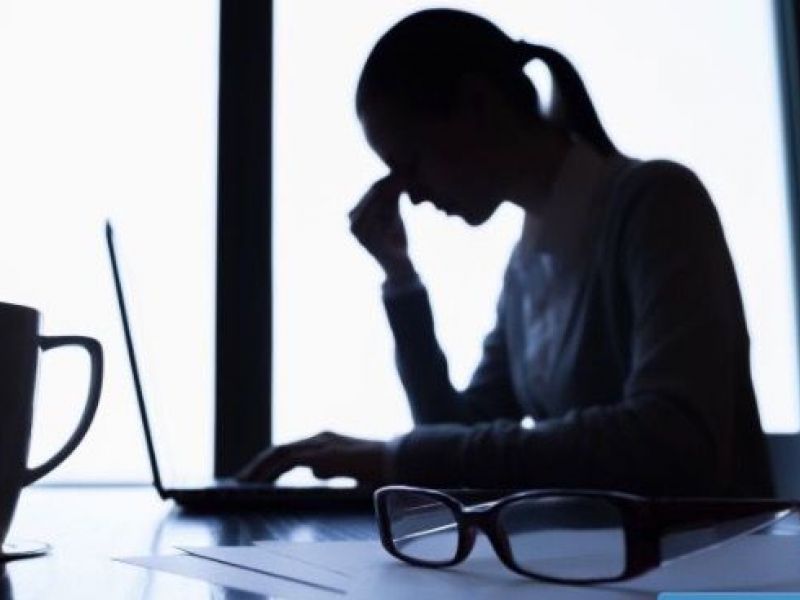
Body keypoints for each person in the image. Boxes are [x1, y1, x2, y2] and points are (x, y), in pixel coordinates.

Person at [238, 9, 773, 497]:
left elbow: (671, 439)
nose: (411, 194)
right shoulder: (526, 267)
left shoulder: (657, 202)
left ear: (477, 106)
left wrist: (397, 458)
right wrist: (399, 277)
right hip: (597, 568)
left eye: (411, 162)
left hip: (695, 572)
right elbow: (456, 435)